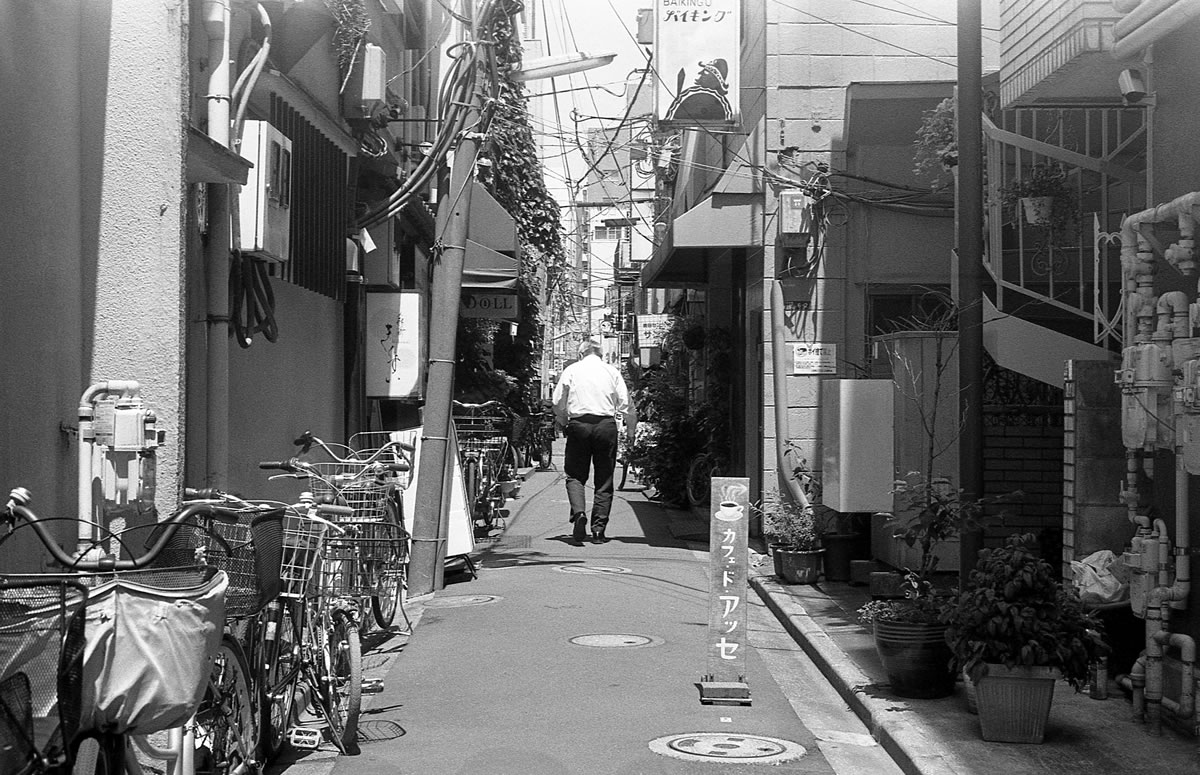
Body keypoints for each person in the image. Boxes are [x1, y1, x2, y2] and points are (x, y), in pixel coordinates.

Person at [552, 336, 636, 543]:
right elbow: (627, 405)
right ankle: (598, 531)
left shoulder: (571, 370)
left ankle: (579, 513)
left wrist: (562, 421)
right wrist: (631, 433)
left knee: (574, 475)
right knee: (604, 478)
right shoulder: (611, 371)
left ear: (581, 354)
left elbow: (557, 402)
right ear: (601, 355)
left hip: (579, 425)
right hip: (606, 426)